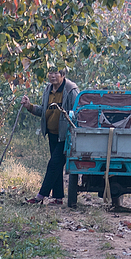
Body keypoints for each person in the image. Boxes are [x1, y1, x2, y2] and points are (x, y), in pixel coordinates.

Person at [21, 68, 80, 205]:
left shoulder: (71, 90)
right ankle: (58, 198)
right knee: (57, 165)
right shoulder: (48, 89)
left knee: (53, 164)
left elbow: (78, 112)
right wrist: (29, 106)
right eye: (50, 73)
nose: (52, 76)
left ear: (63, 75)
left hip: (66, 136)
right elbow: (43, 110)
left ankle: (40, 196)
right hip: (52, 134)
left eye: (56, 73)